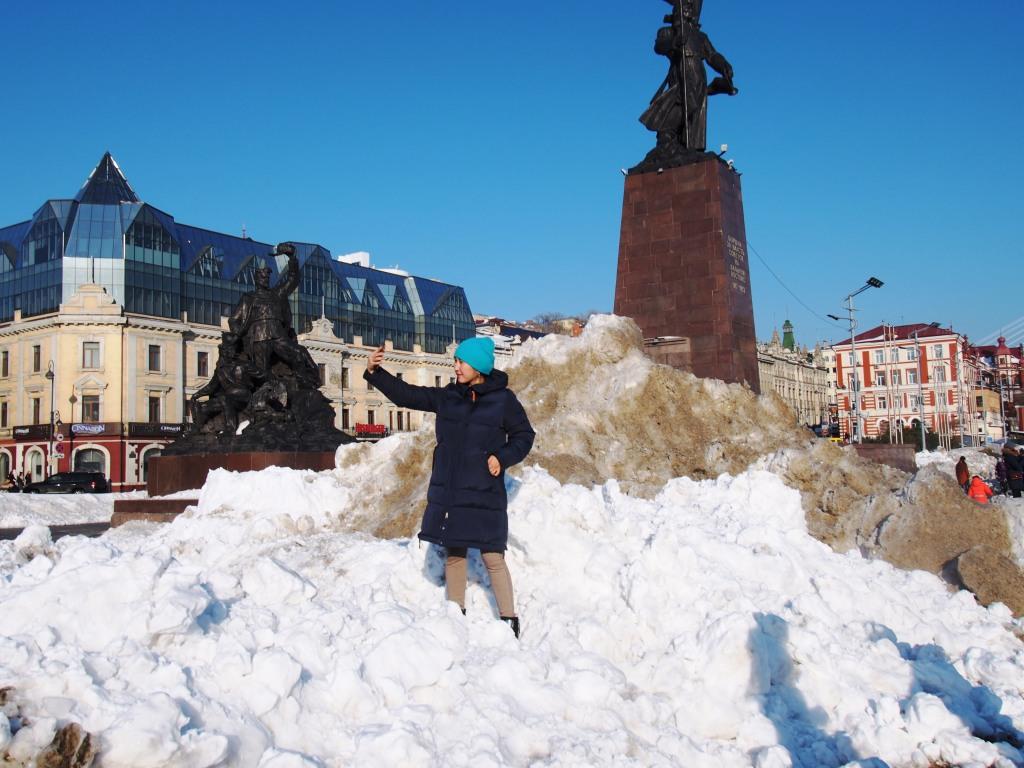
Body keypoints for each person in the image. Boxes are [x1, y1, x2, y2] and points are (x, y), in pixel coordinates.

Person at [364, 336, 535, 638]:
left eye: (461, 362)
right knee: (455, 552)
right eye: (455, 361)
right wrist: (376, 373)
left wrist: (502, 457)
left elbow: (524, 435)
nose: (455, 367)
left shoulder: (503, 401)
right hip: (453, 490)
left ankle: (510, 620)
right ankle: (456, 616)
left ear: (478, 366)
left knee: (492, 555)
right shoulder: (449, 396)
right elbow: (408, 395)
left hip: (484, 491)